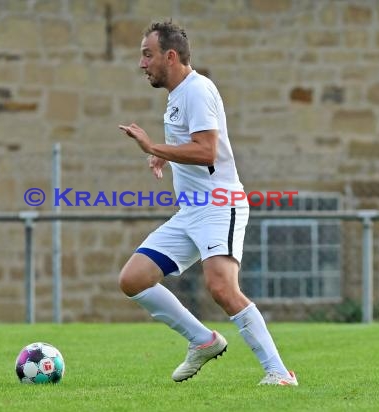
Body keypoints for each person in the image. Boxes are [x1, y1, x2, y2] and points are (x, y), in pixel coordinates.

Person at [117, 20, 297, 386]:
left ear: (170, 56)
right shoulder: (177, 96)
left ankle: (279, 373)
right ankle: (203, 340)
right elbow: (191, 145)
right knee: (134, 278)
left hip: (220, 205)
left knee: (221, 288)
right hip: (192, 211)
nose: (142, 63)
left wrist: (153, 147)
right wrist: (164, 156)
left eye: (147, 54)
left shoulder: (198, 90)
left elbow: (206, 150)